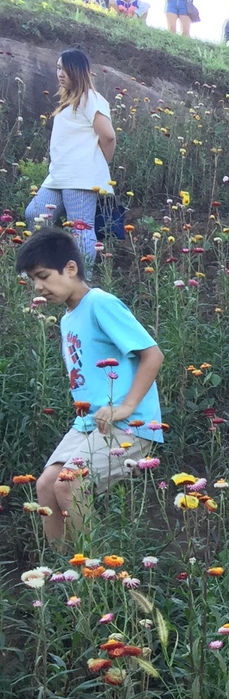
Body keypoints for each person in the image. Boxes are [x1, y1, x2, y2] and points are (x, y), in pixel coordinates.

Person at [16, 228, 165, 550]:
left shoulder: (100, 303)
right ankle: (62, 577)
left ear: (70, 268)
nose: (38, 287)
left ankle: (95, 575)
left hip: (129, 424)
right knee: (46, 486)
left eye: (43, 275)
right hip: (88, 424)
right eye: (32, 279)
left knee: (70, 486)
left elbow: (152, 355)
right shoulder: (69, 317)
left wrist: (125, 407)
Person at [26, 48, 114, 281]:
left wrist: (97, 166)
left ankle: (80, 284)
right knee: (35, 214)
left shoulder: (90, 98)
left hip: (80, 175)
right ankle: (50, 271)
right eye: (58, 68)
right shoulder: (69, 101)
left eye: (65, 68)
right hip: (59, 175)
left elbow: (108, 136)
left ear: (78, 70)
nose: (60, 73)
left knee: (81, 228)